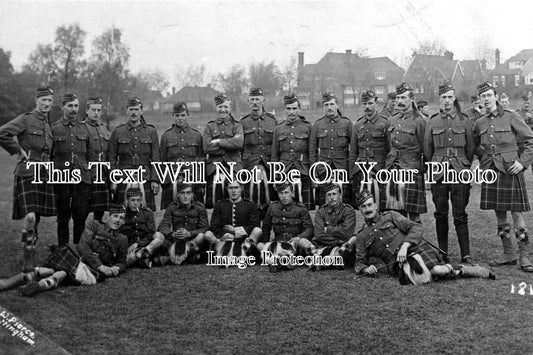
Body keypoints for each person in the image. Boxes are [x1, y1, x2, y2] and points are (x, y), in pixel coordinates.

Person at [354, 190, 495, 284]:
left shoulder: (390, 216)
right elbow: (359, 262)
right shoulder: (361, 236)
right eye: (363, 207)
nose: (368, 209)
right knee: (427, 276)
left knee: (436, 271)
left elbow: (416, 227)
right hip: (397, 263)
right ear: (359, 209)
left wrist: (405, 246)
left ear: (376, 205)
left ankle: (468, 270)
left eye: (369, 205)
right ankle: (454, 270)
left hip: (415, 247)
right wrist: (365, 269)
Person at [0, 204, 128, 296]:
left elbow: (122, 262)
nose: (118, 220)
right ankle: (14, 284)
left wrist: (116, 269)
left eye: (121, 218)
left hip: (89, 269)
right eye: (115, 216)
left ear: (123, 222)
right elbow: (83, 246)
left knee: (58, 272)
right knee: (61, 273)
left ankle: (24, 285)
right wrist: (100, 266)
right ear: (109, 216)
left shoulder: (122, 239)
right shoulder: (95, 225)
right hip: (74, 254)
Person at [473, 81, 533, 272]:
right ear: (480, 99)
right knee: (499, 213)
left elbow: (530, 140)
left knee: (516, 213)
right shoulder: (479, 122)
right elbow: (476, 145)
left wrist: (522, 163)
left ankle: (524, 257)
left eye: (489, 95)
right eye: (483, 96)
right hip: (491, 171)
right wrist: (483, 160)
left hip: (510, 170)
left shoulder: (511, 116)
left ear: (496, 97)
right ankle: (509, 254)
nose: (487, 99)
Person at [0, 86, 56, 272]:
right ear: (36, 101)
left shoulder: (48, 124)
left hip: (44, 173)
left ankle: (29, 247)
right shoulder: (26, 118)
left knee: (36, 216)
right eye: (44, 100)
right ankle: (28, 261)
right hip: (28, 171)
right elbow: (3, 133)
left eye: (49, 100)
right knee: (30, 216)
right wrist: (18, 150)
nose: (47, 104)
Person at [424, 82, 476, 265]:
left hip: (459, 171)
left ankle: (466, 254)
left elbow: (470, 149)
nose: (446, 101)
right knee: (440, 213)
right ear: (439, 99)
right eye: (443, 97)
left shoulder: (464, 120)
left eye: (449, 97)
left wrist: (462, 165)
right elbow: (427, 150)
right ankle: (442, 252)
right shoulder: (432, 121)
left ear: (454, 98)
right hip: (439, 172)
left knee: (460, 213)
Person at [51, 92, 94, 245]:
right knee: (63, 216)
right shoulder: (54, 129)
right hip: (61, 177)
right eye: (70, 106)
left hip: (82, 178)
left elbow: (90, 154)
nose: (73, 109)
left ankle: (78, 249)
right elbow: (50, 155)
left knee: (80, 215)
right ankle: (63, 249)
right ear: (63, 107)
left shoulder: (85, 128)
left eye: (76, 106)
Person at [384, 82, 427, 223]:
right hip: (394, 168)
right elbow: (388, 145)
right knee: (397, 213)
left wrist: (422, 170)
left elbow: (425, 149)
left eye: (403, 98)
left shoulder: (420, 121)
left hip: (411, 170)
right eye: (398, 98)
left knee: (414, 214)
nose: (400, 101)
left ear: (412, 99)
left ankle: (415, 244)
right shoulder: (392, 120)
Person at [108, 97, 160, 211]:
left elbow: (156, 158)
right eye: (131, 109)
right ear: (127, 110)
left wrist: (155, 180)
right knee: (121, 210)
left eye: (136, 109)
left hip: (145, 175)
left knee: (146, 211)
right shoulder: (118, 131)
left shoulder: (151, 131)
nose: (134, 112)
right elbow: (111, 158)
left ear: (141, 111)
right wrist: (113, 179)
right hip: (123, 176)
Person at [271, 93, 314, 209]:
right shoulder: (278, 129)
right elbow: (275, 155)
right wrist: (275, 177)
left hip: (303, 170)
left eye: (294, 108)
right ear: (285, 110)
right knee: (285, 206)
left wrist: (313, 174)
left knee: (306, 207)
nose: (291, 112)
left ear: (299, 109)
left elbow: (312, 153)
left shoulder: (308, 127)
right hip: (284, 170)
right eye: (288, 109)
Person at [348, 90, 389, 210]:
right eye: (364, 104)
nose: (367, 107)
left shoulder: (385, 123)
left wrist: (387, 171)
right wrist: (351, 173)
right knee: (364, 205)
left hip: (378, 170)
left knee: (381, 206)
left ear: (376, 103)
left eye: (370, 103)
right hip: (360, 170)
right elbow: (353, 152)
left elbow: (389, 150)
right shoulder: (358, 125)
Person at [309, 92, 352, 207]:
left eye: (332, 104)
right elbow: (312, 151)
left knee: (343, 204)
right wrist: (314, 174)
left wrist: (351, 171)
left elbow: (353, 150)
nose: (329, 107)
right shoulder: (317, 125)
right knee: (324, 205)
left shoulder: (347, 123)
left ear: (337, 105)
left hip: (342, 169)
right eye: (326, 105)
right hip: (323, 170)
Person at [159, 102, 204, 210]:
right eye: (177, 115)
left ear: (188, 115)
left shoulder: (197, 135)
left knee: (196, 211)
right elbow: (162, 161)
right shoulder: (166, 136)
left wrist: (199, 179)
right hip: (171, 179)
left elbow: (201, 160)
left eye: (183, 115)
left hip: (192, 178)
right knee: (170, 211)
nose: (180, 118)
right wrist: (166, 180)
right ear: (173, 116)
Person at [240, 88, 278, 216]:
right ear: (248, 101)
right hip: (249, 163)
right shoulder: (243, 122)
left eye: (257, 99)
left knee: (270, 192)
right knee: (249, 193)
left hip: (268, 163)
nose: (255, 102)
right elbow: (241, 146)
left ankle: (267, 219)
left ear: (263, 100)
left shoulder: (272, 121)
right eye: (252, 99)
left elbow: (275, 145)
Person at [203, 94, 244, 209]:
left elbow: (239, 143)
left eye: (226, 107)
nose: (223, 110)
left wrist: (218, 141)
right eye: (220, 106)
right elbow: (206, 147)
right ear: (216, 108)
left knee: (236, 203)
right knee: (214, 205)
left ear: (230, 108)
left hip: (234, 168)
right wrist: (230, 145)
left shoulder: (237, 125)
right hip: (214, 169)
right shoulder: (209, 126)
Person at [204, 180, 262, 256]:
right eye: (231, 188)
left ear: (241, 188)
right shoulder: (220, 204)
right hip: (225, 238)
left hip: (244, 238)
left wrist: (235, 231)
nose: (233, 191)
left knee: (257, 231)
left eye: (236, 187)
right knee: (208, 234)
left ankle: (245, 250)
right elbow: (213, 226)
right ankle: (219, 249)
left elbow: (255, 224)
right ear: (227, 189)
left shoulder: (250, 204)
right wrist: (224, 234)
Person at [157, 183, 209, 265]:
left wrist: (189, 233)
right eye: (182, 193)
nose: (185, 196)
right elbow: (163, 226)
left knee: (201, 236)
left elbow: (205, 228)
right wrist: (173, 234)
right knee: (158, 235)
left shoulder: (199, 208)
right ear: (178, 195)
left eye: (188, 193)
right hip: (176, 240)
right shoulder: (172, 207)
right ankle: (189, 257)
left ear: (192, 195)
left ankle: (174, 257)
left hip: (192, 240)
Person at [311, 183, 356, 267]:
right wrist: (339, 241)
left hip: (339, 245)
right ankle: (332, 256)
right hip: (329, 244)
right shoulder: (321, 212)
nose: (331, 197)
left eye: (334, 194)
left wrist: (327, 229)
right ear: (326, 196)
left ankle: (330, 258)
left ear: (340, 195)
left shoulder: (348, 211)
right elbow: (318, 235)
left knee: (354, 239)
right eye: (329, 195)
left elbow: (347, 233)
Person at [120, 187, 164, 268]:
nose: (135, 203)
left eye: (138, 200)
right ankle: (144, 258)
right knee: (130, 258)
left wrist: (138, 244)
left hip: (146, 244)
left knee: (159, 236)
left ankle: (144, 254)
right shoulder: (122, 214)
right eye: (132, 200)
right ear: (127, 201)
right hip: (129, 247)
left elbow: (151, 232)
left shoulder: (147, 213)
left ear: (141, 201)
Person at [83, 97, 110, 222]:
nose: (96, 113)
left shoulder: (103, 128)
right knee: (83, 209)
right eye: (93, 110)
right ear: (87, 111)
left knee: (100, 209)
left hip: (103, 172)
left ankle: (97, 232)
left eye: (99, 110)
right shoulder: (82, 128)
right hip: (88, 173)